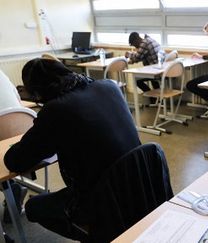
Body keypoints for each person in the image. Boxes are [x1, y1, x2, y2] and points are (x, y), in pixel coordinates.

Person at [4, 58, 141, 241]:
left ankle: (101, 235)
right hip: (139, 182)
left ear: (36, 93)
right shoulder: (109, 86)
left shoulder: (55, 110)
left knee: (33, 208)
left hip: (103, 197)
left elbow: (16, 161)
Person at [125, 32, 161, 102]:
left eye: (134, 45)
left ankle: (153, 98)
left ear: (136, 40)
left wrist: (128, 54)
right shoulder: (149, 39)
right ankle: (157, 99)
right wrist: (132, 61)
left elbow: (137, 57)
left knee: (137, 80)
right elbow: (142, 56)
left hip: (155, 72)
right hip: (159, 68)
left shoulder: (144, 44)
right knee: (152, 78)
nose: (135, 47)